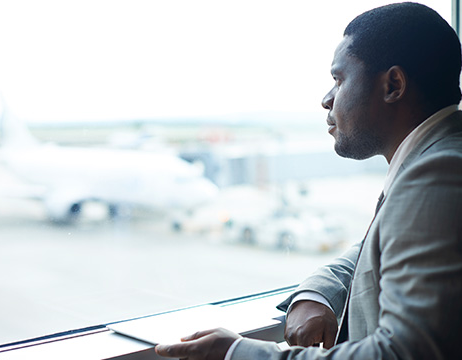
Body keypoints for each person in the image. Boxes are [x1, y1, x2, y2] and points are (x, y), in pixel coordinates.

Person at [155, 2, 462, 359]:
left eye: (339, 79)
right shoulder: (439, 157)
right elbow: (379, 250)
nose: (326, 99)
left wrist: (236, 353)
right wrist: (318, 291)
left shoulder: (436, 174)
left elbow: (403, 354)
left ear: (393, 84)